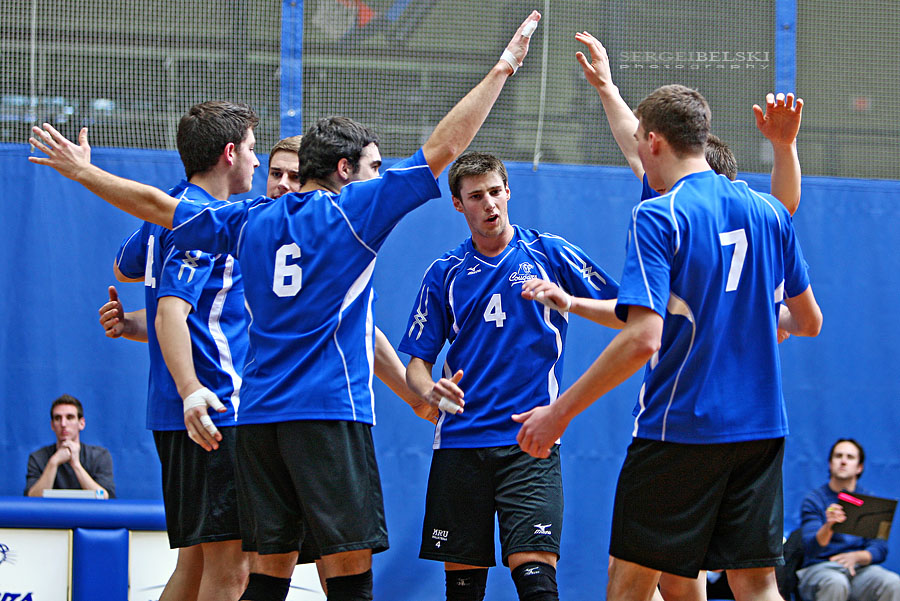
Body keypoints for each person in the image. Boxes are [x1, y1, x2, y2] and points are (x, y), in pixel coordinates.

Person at [30, 11, 541, 601]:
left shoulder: (252, 220)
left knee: (267, 573)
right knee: (348, 572)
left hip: (258, 423)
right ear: (345, 171)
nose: (380, 176)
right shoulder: (354, 213)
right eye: (372, 168)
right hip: (327, 414)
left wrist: (83, 171)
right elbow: (445, 147)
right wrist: (503, 68)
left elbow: (154, 204)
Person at [513, 84, 822, 601]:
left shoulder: (659, 215)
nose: (635, 147)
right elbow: (808, 320)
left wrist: (558, 414)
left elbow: (642, 338)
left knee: (630, 579)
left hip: (681, 427)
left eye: (638, 139)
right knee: (756, 583)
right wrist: (762, 315)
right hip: (762, 429)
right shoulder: (769, 213)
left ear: (653, 142)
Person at [400, 151, 620, 601]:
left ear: (508, 192)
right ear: (459, 205)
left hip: (530, 439)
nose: (490, 204)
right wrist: (429, 391)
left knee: (536, 579)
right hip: (461, 442)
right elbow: (416, 363)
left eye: (496, 192)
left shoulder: (549, 254)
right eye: (476, 196)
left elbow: (626, 314)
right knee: (463, 589)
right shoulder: (445, 272)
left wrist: (570, 302)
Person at [573, 31, 802, 215]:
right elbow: (636, 147)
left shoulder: (664, 217)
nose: (645, 155)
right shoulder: (665, 197)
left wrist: (784, 146)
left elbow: (783, 206)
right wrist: (606, 88)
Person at [797, 439, 900, 601]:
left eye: (850, 457)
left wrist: (856, 556)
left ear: (860, 467)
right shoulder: (814, 500)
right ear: (830, 464)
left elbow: (880, 548)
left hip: (859, 570)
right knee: (836, 583)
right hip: (821, 568)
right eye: (838, 456)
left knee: (892, 582)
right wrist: (829, 525)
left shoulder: (871, 501)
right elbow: (811, 547)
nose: (843, 461)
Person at [25, 394, 115, 498]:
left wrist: (76, 464)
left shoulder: (99, 456)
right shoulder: (38, 458)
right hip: (51, 514)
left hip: (88, 514)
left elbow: (103, 497)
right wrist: (53, 463)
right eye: (58, 418)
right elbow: (32, 498)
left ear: (81, 423)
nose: (63, 424)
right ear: (52, 425)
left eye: (70, 417)